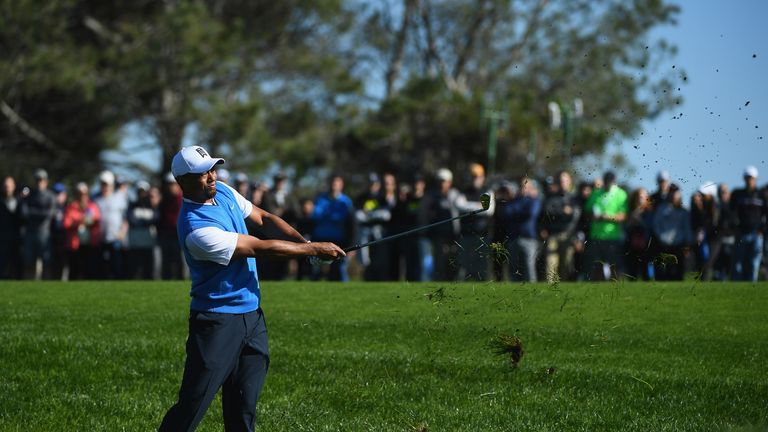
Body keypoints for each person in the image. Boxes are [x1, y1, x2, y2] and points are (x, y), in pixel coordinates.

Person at [158, 146, 344, 432]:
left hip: (252, 319)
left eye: (212, 168)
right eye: (202, 173)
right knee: (191, 407)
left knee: (244, 411)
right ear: (182, 181)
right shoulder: (196, 229)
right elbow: (259, 247)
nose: (211, 176)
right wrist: (315, 249)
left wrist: (306, 247)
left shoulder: (223, 192)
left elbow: (263, 219)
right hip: (216, 324)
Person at [583, 171, 628, 281]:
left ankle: (616, 291)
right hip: (596, 236)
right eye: (606, 181)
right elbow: (587, 211)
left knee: (614, 267)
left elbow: (623, 216)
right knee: (597, 266)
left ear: (614, 181)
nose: (608, 184)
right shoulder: (596, 193)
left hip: (612, 237)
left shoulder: (621, 194)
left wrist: (607, 217)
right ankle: (598, 291)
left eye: (610, 182)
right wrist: (593, 216)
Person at [310, 174, 355, 281]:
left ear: (341, 185)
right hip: (320, 239)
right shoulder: (320, 199)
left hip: (339, 240)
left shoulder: (346, 202)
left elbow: (351, 223)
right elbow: (315, 216)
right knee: (317, 269)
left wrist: (351, 244)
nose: (334, 186)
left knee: (339, 269)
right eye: (332, 183)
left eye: (336, 183)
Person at [496, 176, 541, 282]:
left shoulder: (533, 200)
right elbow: (506, 213)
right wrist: (520, 211)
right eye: (522, 186)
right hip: (513, 238)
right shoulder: (513, 200)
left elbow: (531, 213)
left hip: (528, 239)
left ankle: (531, 292)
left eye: (526, 185)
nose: (523, 188)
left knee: (528, 268)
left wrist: (516, 213)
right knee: (514, 269)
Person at [539, 171, 581, 282]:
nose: (563, 183)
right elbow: (548, 211)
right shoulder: (551, 197)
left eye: (565, 180)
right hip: (552, 235)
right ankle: (550, 291)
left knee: (566, 265)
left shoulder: (574, 199)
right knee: (550, 264)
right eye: (560, 181)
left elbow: (575, 216)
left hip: (568, 235)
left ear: (570, 182)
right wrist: (563, 211)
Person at [730, 166, 766, 282]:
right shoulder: (737, 194)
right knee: (738, 262)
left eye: (751, 178)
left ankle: (752, 285)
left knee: (754, 262)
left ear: (756, 179)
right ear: (744, 179)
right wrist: (736, 227)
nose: (749, 180)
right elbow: (732, 212)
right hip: (741, 233)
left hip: (757, 234)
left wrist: (762, 229)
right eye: (747, 178)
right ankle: (736, 286)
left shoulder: (762, 195)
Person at [458, 163, 494, 281]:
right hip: (466, 235)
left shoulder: (487, 191)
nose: (475, 179)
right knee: (465, 266)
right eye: (473, 176)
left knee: (482, 267)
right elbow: (459, 206)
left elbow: (489, 211)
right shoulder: (463, 192)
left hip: (483, 235)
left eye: (477, 176)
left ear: (482, 177)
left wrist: (469, 207)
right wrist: (479, 207)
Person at [20, 169, 57, 279]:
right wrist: (39, 212)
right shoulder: (30, 195)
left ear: (46, 181)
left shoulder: (50, 196)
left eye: (42, 180)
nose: (39, 182)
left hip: (44, 233)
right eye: (37, 180)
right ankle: (29, 285)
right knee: (29, 261)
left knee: (46, 261)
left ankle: (46, 285)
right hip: (30, 232)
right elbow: (24, 213)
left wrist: (33, 212)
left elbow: (49, 214)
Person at [651, 184, 693, 280]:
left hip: (679, 245)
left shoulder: (684, 210)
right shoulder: (661, 208)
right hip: (662, 244)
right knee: (662, 273)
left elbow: (687, 228)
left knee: (677, 273)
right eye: (671, 193)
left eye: (676, 193)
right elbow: (656, 225)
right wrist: (661, 238)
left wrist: (688, 244)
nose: (674, 195)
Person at [62, 182, 102, 280]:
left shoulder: (92, 206)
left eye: (84, 194)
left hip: (89, 244)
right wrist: (80, 221)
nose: (82, 196)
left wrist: (86, 221)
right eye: (79, 193)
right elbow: (66, 224)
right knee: (74, 271)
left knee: (89, 270)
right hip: (74, 245)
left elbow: (96, 220)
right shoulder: (71, 207)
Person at [94, 170, 129, 279]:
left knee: (117, 267)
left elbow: (125, 218)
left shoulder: (120, 197)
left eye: (106, 184)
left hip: (115, 238)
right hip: (99, 238)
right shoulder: (95, 198)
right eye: (102, 184)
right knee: (101, 268)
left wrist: (122, 233)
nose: (104, 186)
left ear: (111, 185)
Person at [126, 181, 158, 279]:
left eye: (143, 192)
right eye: (140, 192)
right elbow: (131, 220)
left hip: (148, 243)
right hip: (135, 243)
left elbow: (155, 219)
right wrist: (146, 222)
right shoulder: (132, 206)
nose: (142, 194)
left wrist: (141, 222)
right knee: (134, 271)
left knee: (148, 271)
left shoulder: (153, 207)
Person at [158, 173, 184, 279]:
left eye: (173, 184)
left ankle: (181, 279)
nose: (171, 187)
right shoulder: (165, 200)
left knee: (180, 261)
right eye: (169, 184)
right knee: (166, 262)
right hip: (167, 235)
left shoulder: (184, 199)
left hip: (180, 235)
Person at [624, 188, 653, 280]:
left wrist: (639, 221)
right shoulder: (630, 212)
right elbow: (626, 227)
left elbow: (650, 226)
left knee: (645, 270)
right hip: (631, 244)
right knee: (632, 270)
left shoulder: (649, 212)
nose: (641, 198)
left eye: (644, 196)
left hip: (645, 244)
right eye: (640, 196)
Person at [0, 176, 23, 279]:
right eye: (5, 186)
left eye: (9, 185)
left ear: (13, 186)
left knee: (17, 265)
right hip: (3, 239)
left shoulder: (20, 202)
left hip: (17, 239)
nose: (7, 188)